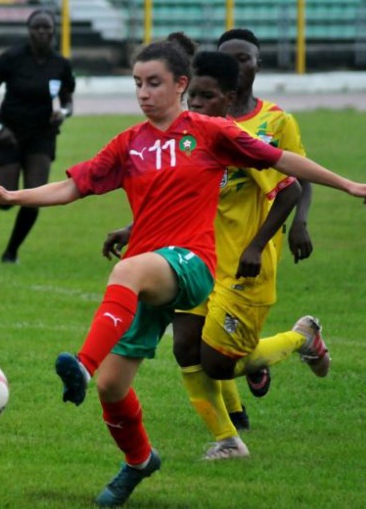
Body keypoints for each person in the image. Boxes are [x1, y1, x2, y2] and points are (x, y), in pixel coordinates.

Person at [0, 40, 366, 506]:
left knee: (129, 272)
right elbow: (75, 185)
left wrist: (348, 184)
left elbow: (281, 163)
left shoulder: (210, 131)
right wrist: (12, 197)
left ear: (181, 84)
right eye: (137, 83)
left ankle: (81, 362)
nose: (143, 92)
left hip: (193, 264)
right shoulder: (129, 143)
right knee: (112, 388)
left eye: (153, 82)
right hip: (149, 273)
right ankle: (139, 461)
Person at [102, 50, 315, 461]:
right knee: (185, 347)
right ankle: (228, 440)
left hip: (241, 267)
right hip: (197, 261)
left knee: (217, 363)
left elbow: (289, 188)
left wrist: (256, 245)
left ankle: (301, 337)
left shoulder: (239, 139)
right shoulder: (191, 138)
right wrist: (133, 230)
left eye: (205, 97)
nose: (195, 104)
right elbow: (181, 195)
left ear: (228, 97)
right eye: (193, 96)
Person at [216, 27, 314, 410]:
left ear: (259, 63)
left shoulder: (276, 121)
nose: (237, 66)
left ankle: (299, 338)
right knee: (195, 340)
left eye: (244, 58)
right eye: (229, 59)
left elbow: (300, 176)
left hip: (256, 244)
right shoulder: (206, 116)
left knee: (217, 347)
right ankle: (235, 418)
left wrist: (301, 223)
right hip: (206, 240)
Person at [0, 8, 75, 263]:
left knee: (35, 196)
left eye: (47, 28)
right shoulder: (12, 58)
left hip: (42, 134)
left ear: (54, 31)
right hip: (10, 132)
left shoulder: (60, 64)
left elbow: (68, 101)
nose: (42, 32)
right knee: (6, 200)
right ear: (29, 31)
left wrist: (62, 113)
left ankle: (11, 252)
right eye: (37, 28)